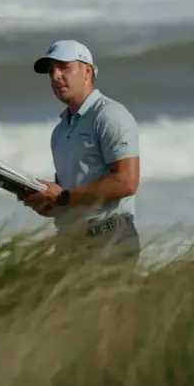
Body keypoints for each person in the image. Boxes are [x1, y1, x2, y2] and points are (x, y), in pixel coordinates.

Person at [19, 39, 142, 264]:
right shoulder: (60, 130)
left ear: (87, 72)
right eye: (51, 71)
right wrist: (45, 201)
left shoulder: (110, 115)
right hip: (71, 242)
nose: (55, 76)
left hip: (109, 238)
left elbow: (127, 182)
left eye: (64, 67)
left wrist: (63, 196)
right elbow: (70, 197)